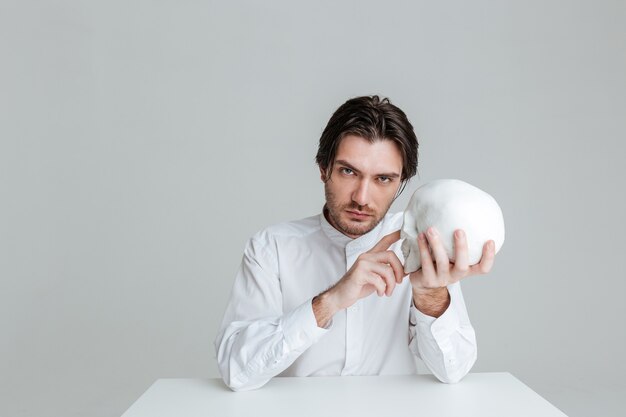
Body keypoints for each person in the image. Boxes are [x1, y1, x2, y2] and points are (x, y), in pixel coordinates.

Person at [214, 95, 496, 392]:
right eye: (349, 171)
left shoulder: (423, 245)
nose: (362, 197)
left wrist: (430, 296)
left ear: (401, 182)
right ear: (323, 168)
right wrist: (331, 301)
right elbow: (237, 371)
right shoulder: (270, 248)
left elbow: (453, 370)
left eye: (383, 179)